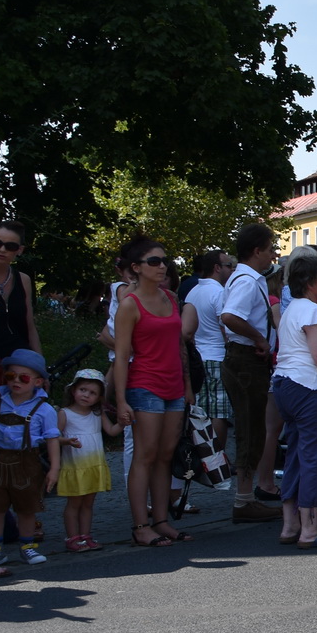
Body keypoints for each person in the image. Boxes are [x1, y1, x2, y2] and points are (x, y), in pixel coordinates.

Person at [111, 235, 191, 548]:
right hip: (144, 384)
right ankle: (140, 526)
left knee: (165, 456)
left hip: (173, 385)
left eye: (164, 260)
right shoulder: (129, 305)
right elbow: (120, 356)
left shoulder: (170, 297)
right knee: (144, 456)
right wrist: (120, 400)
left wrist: (186, 385)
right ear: (136, 268)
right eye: (154, 261)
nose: (162, 266)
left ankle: (161, 521)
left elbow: (179, 345)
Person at [272, 255, 317, 549]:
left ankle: (290, 525)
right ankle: (310, 529)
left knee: (295, 456)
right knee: (313, 457)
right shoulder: (313, 312)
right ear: (311, 282)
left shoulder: (292, 310)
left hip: (286, 385)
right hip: (310, 388)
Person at [0, 349, 59, 566]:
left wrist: (55, 467)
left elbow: (52, 439)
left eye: (24, 377)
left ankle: (27, 547)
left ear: (37, 382)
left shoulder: (44, 409)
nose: (16, 381)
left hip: (27, 463)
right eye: (11, 376)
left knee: (26, 508)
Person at [220, 223, 282, 521]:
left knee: (253, 427)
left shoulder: (243, 278)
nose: (273, 255)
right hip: (246, 360)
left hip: (244, 358)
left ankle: (245, 498)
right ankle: (243, 500)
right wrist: (258, 338)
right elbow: (230, 316)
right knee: (250, 428)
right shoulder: (246, 280)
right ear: (257, 250)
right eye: (270, 249)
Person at [0, 220, 42, 420]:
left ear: (19, 250)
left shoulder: (24, 280)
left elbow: (29, 325)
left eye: (10, 246)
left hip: (21, 362)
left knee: (18, 423)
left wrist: (39, 365)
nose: (2, 249)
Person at [58, 368, 119, 550]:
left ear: (99, 397)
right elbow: (53, 437)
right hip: (75, 466)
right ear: (73, 390)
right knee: (74, 503)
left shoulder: (97, 413)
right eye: (83, 390)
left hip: (93, 465)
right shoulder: (65, 413)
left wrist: (123, 423)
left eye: (92, 393)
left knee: (88, 504)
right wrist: (66, 440)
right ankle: (72, 538)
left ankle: (85, 535)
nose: (86, 395)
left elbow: (111, 431)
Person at [184, 249, 234, 452]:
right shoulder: (218, 292)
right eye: (229, 265)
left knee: (201, 412)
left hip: (197, 357)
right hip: (217, 357)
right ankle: (217, 460)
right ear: (217, 268)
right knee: (219, 413)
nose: (232, 270)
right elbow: (225, 327)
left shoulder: (193, 291)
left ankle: (201, 457)